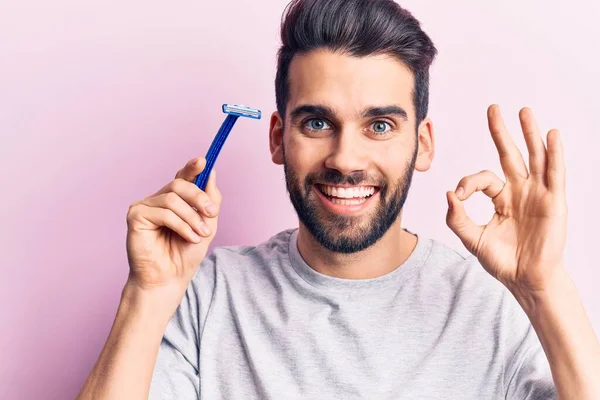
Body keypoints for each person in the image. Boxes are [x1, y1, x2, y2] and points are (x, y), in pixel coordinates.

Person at [78, 0, 600, 399]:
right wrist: (145, 295)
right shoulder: (205, 297)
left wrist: (545, 289)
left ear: (422, 143)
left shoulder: (496, 308)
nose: (345, 158)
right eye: (318, 122)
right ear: (278, 137)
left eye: (379, 125)